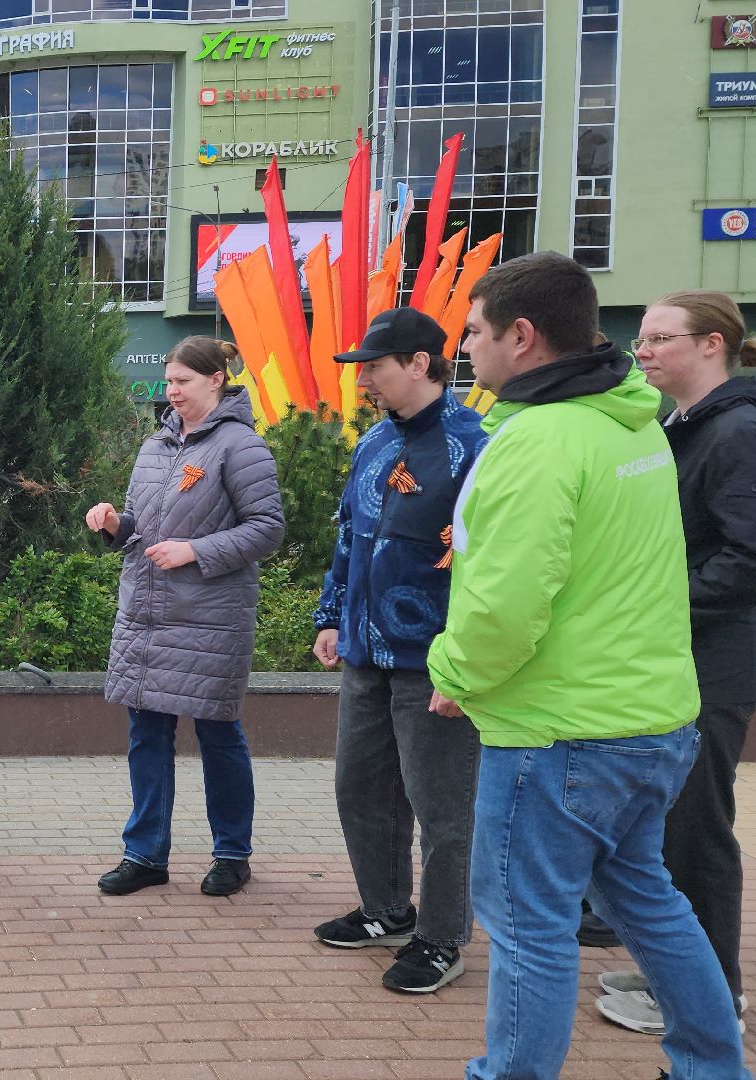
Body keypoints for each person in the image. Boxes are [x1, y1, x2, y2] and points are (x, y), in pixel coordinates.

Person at [426, 253, 749, 1078]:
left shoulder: (538, 440)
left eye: (474, 331)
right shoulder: (631, 423)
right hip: (649, 718)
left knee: (527, 924)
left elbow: (506, 605)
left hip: (558, 730)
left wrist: (454, 672)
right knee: (649, 901)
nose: (465, 347)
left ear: (521, 337)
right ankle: (714, 1067)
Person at [593, 292, 756, 1037]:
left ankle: (715, 992)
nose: (641, 351)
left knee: (698, 825)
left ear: (711, 345)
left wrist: (646, 602)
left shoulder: (739, 433)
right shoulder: (679, 425)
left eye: (659, 338)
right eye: (641, 338)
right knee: (667, 821)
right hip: (671, 652)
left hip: (710, 659)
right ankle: (676, 970)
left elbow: (751, 564)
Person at [307, 307, 489, 994]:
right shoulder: (376, 441)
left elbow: (489, 563)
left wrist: (465, 661)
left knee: (442, 807)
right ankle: (386, 909)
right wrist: (331, 616)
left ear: (419, 364)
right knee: (361, 786)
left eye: (375, 368)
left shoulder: (476, 447)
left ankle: (443, 938)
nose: (365, 382)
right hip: (363, 652)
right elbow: (347, 535)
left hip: (434, 661)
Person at [86, 336, 284, 899]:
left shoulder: (241, 445)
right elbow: (139, 525)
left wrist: (194, 551)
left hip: (210, 619)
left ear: (216, 380)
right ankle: (145, 855)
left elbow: (267, 528)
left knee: (218, 734)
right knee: (146, 735)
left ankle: (232, 854)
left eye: (183, 381)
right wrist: (114, 524)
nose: (171, 391)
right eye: (169, 381)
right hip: (146, 615)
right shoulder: (155, 446)